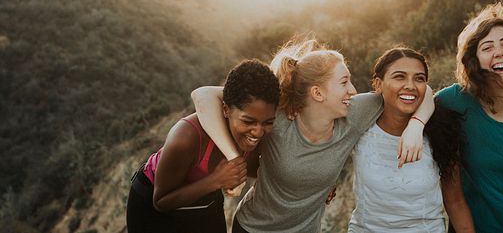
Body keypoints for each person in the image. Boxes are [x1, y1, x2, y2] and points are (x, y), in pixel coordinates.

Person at [192, 39, 433, 233]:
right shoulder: (278, 117)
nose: (353, 90)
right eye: (344, 82)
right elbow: (203, 95)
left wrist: (416, 125)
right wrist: (234, 159)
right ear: (317, 93)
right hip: (253, 228)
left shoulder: (355, 113)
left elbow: (421, 90)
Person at [126, 59, 280, 233]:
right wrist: (217, 180)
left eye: (267, 122)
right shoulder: (186, 137)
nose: (258, 132)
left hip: (205, 197)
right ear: (226, 110)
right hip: (153, 205)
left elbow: (257, 169)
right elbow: (161, 202)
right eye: (248, 121)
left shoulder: (255, 137)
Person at [348, 47, 474, 233]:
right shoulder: (360, 125)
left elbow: (455, 202)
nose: (410, 85)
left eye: (419, 78)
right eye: (399, 76)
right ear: (378, 84)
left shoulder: (441, 132)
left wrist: (416, 125)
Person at [436, 4, 503, 233]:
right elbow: (418, 97)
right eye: (487, 47)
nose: (499, 52)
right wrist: (416, 125)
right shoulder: (455, 101)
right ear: (474, 60)